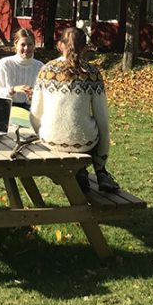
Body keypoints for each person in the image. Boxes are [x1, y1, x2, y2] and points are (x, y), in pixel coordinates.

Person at [30, 27, 120, 193]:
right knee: (94, 130)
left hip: (49, 140)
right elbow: (103, 122)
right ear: (85, 47)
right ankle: (100, 173)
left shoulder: (45, 71)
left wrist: (43, 133)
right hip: (84, 143)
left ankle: (81, 173)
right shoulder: (92, 74)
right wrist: (101, 159)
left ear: (59, 45)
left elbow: (34, 114)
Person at [0, 28, 44, 115]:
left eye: (30, 44)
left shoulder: (40, 67)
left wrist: (34, 96)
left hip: (31, 113)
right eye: (23, 44)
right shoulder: (5, 64)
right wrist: (12, 90)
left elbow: (45, 99)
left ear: (34, 46)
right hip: (5, 111)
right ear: (15, 44)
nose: (26, 48)